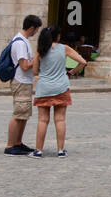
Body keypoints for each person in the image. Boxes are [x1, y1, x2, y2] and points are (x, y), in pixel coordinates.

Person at [30, 25, 86, 158]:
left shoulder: (40, 49)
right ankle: (60, 150)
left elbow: (34, 71)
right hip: (61, 86)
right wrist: (71, 72)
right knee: (60, 119)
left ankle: (38, 150)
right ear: (58, 36)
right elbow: (83, 62)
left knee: (43, 120)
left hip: (44, 87)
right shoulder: (64, 48)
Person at [4, 14, 43, 156]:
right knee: (18, 113)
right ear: (31, 28)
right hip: (20, 81)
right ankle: (10, 145)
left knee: (23, 114)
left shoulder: (23, 41)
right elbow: (25, 66)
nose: (36, 32)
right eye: (36, 29)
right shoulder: (20, 43)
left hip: (25, 81)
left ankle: (18, 142)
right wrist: (37, 58)